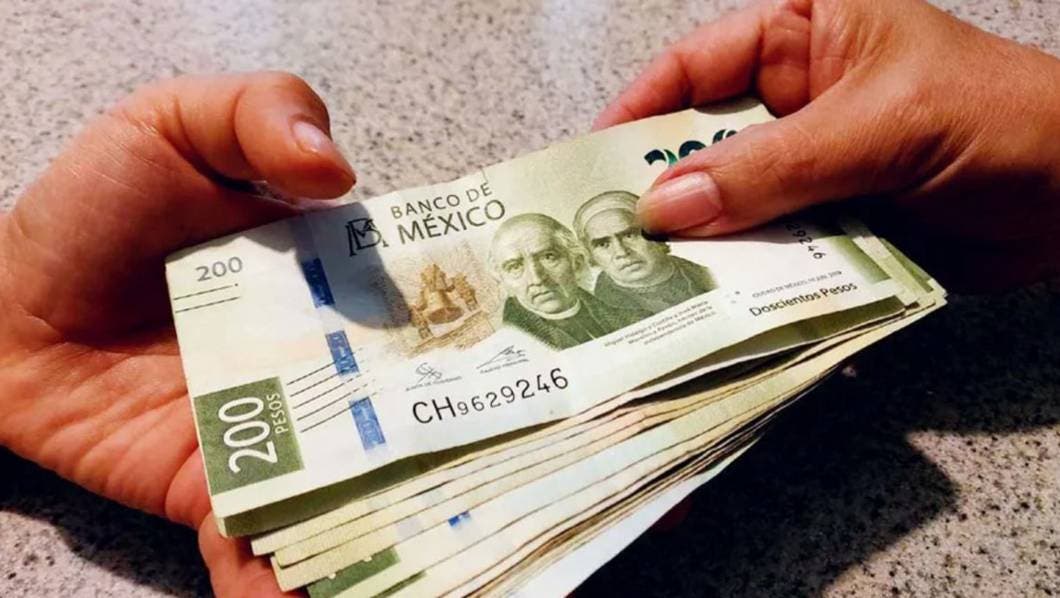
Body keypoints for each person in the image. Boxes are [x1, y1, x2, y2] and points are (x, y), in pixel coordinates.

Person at [0, 1, 1056, 595]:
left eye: (577, 250)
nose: (552, 276)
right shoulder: (513, 328)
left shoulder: (645, 298)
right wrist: (21, 339)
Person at [489, 213, 646, 349]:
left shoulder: (635, 320)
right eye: (515, 267)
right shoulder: (509, 347)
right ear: (502, 279)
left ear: (576, 263)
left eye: (548, 257)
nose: (537, 279)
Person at [573, 190, 716, 314]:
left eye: (629, 235)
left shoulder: (706, 276)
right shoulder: (598, 313)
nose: (621, 252)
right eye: (603, 244)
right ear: (591, 254)